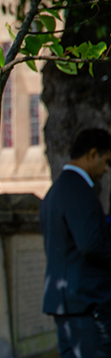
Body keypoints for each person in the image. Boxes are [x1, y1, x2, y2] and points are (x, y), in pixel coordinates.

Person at [40, 128, 111, 358]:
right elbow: (91, 245)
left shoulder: (55, 191)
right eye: (106, 161)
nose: (106, 170)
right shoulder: (79, 189)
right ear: (92, 154)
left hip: (64, 304)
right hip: (86, 303)